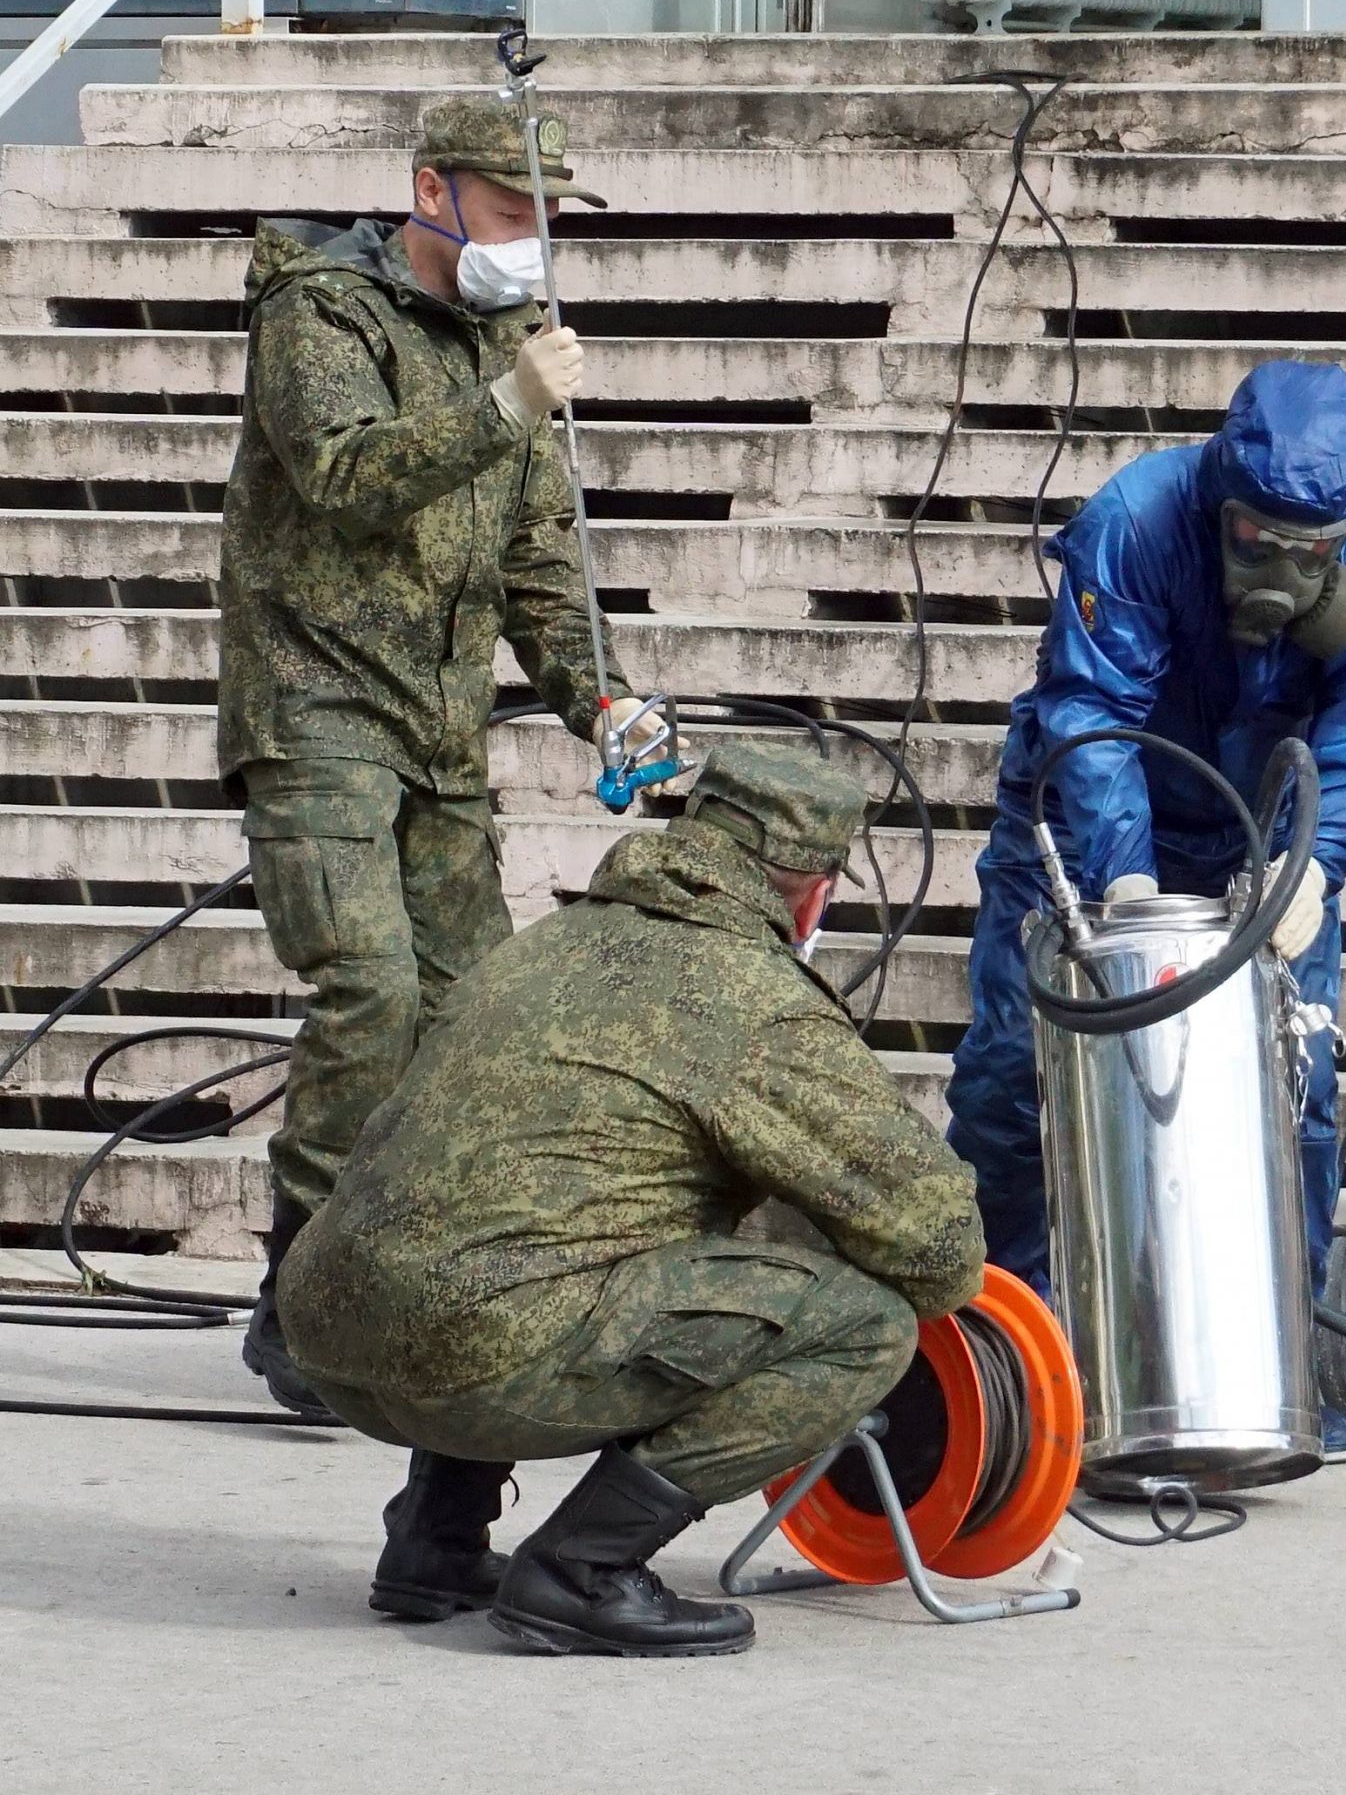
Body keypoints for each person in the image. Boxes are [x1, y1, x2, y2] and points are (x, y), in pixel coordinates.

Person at [278, 743, 987, 1657]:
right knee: (866, 1324)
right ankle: (581, 1572)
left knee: (535, 1229)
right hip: (473, 1358)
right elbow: (940, 1253)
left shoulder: (542, 945)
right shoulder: (757, 998)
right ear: (813, 895)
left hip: (327, 1332)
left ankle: (436, 1541)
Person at [217, 95, 669, 1418]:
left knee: (473, 1015)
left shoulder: (511, 338)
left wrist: (606, 703)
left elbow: (540, 568)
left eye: (547, 218)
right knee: (368, 991)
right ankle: (298, 1294)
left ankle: (409, 1280)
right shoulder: (322, 310)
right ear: (433, 192)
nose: (534, 242)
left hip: (437, 731)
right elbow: (347, 475)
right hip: (316, 708)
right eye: (514, 208)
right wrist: (502, 402)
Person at [944, 360, 1346, 1460]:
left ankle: (1276, 1371)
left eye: (1308, 551)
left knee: (1291, 1096)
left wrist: (1316, 868)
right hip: (1084, 826)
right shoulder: (1135, 521)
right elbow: (1093, 709)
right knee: (1018, 1079)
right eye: (1257, 538)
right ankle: (1006, 1367)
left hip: (1262, 840)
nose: (1280, 566)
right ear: (1220, 502)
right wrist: (1123, 884)